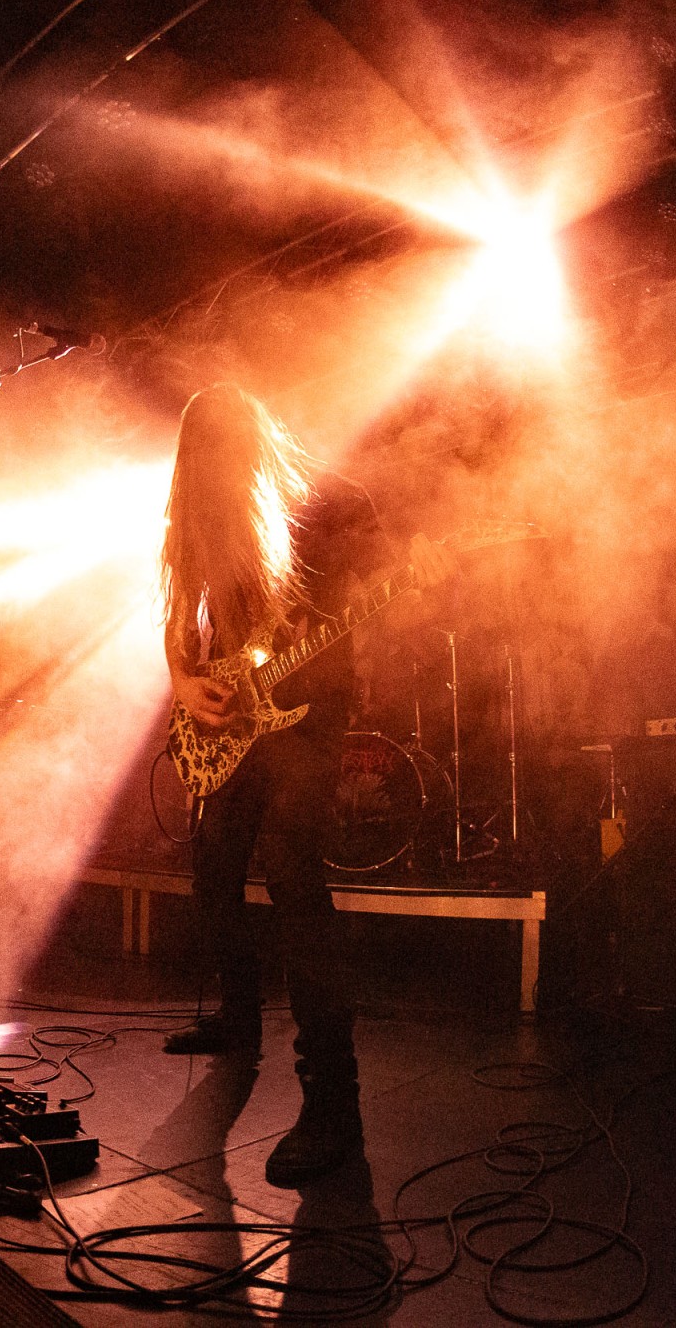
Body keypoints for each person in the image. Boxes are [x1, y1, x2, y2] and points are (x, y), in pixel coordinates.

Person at [159, 384, 448, 1187]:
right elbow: (179, 621)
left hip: (310, 714)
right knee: (213, 867)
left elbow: (397, 574)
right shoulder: (196, 522)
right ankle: (239, 1019)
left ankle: (333, 1106)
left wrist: (422, 569)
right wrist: (185, 684)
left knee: (292, 874)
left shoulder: (325, 505)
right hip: (237, 715)